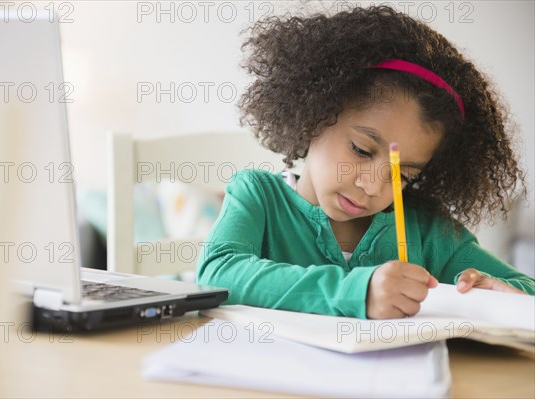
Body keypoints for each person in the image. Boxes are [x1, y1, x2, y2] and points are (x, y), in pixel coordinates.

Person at [196, 5, 535, 319]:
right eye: (361, 149)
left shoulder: (430, 232)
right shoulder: (258, 198)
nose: (372, 186)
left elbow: (527, 291)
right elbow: (218, 273)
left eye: (403, 174)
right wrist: (356, 292)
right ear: (314, 115)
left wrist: (499, 295)